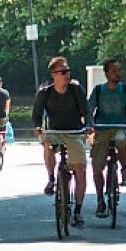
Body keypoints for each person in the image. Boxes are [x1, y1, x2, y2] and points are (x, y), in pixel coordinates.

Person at [33, 57, 90, 227]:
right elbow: (36, 115)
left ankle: (78, 210)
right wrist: (37, 127)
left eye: (68, 71)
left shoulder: (76, 89)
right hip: (54, 132)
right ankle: (51, 179)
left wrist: (88, 126)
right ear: (53, 75)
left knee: (80, 168)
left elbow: (86, 111)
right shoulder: (45, 93)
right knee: (48, 145)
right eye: (63, 72)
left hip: (74, 132)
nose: (67, 74)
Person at [87, 59, 126, 218]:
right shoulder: (99, 90)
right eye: (114, 71)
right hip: (102, 129)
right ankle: (100, 199)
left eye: (119, 70)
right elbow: (89, 110)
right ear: (107, 73)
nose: (118, 74)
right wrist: (90, 124)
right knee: (97, 166)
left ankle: (123, 170)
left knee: (121, 140)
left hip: (119, 126)